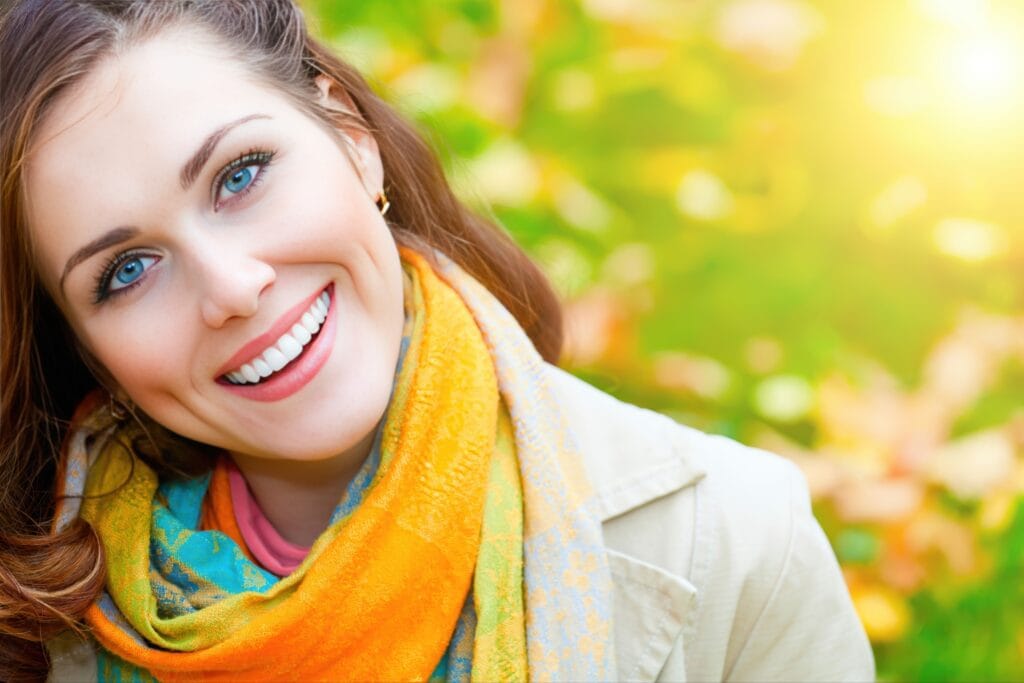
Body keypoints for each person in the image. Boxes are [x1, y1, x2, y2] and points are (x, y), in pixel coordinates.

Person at [0, 1, 875, 681]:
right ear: (86, 348)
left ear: (352, 138)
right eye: (126, 271)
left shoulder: (741, 546)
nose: (230, 287)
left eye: (240, 175)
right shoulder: (38, 630)